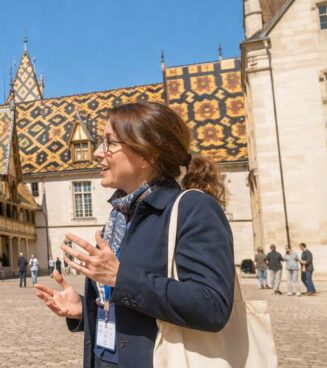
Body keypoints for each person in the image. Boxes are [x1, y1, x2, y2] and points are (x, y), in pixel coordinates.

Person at [33, 102, 234, 367]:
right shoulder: (119, 217)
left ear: (147, 154)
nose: (96, 153)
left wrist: (120, 277)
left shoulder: (193, 209)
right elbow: (133, 305)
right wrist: (83, 309)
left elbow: (212, 307)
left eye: (109, 143)